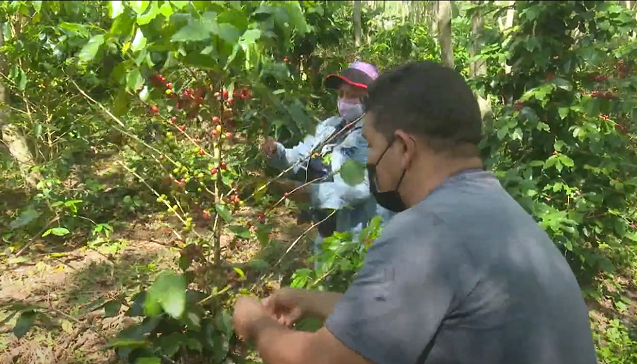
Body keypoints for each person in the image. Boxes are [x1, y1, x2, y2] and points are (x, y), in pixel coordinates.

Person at [233, 61, 597, 364]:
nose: (371, 160)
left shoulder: (427, 233)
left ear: (404, 148)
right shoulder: (494, 208)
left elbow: (322, 360)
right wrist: (311, 300)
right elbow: (414, 313)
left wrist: (255, 323)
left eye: (374, 147)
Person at [261, 61, 393, 260]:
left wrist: (310, 193)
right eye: (341, 94)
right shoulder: (330, 127)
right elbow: (301, 155)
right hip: (328, 233)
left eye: (352, 95)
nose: (344, 101)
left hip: (360, 237)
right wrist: (277, 153)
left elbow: (356, 190)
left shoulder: (376, 136)